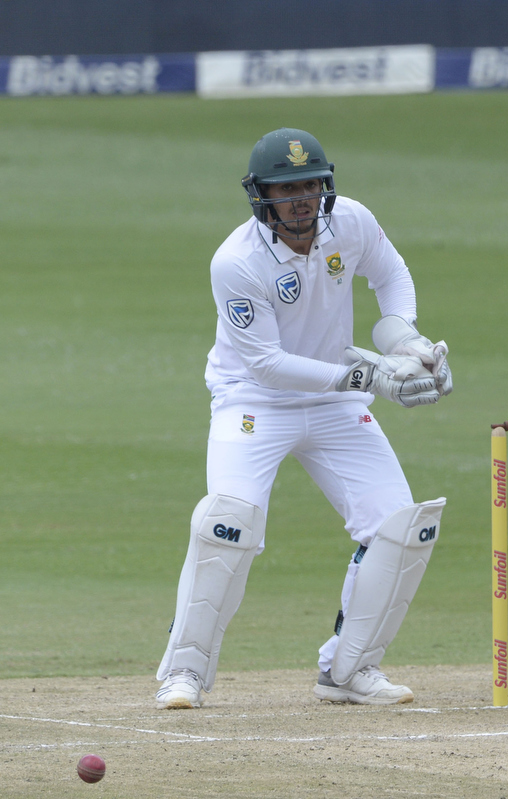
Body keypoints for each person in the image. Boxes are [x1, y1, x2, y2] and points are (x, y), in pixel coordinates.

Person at [155, 128, 453, 710]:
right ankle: (183, 672)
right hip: (253, 403)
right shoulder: (236, 262)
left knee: (402, 527)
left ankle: (349, 669)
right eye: (286, 188)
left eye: (311, 186)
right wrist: (370, 377)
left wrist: (406, 341)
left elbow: (390, 275)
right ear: (261, 195)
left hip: (336, 402)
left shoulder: (352, 223)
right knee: (229, 524)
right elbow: (266, 365)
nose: (301, 199)